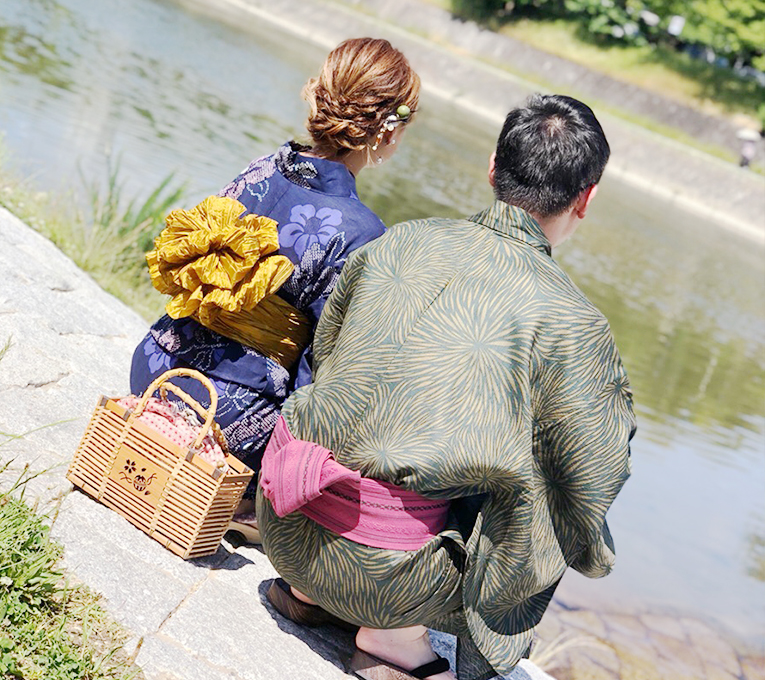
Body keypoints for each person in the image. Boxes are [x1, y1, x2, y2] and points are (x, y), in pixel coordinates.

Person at [256, 94, 636, 680]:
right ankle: (395, 641)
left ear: (492, 168)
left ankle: (312, 594)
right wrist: (589, 550)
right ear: (586, 199)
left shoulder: (398, 241)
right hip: (392, 579)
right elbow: (591, 478)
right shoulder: (572, 322)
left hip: (286, 518)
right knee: (549, 470)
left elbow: (327, 359)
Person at [130, 37, 420, 540]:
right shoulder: (363, 231)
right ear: (386, 131)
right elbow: (325, 367)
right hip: (226, 416)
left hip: (155, 366)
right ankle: (249, 506)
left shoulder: (263, 167)